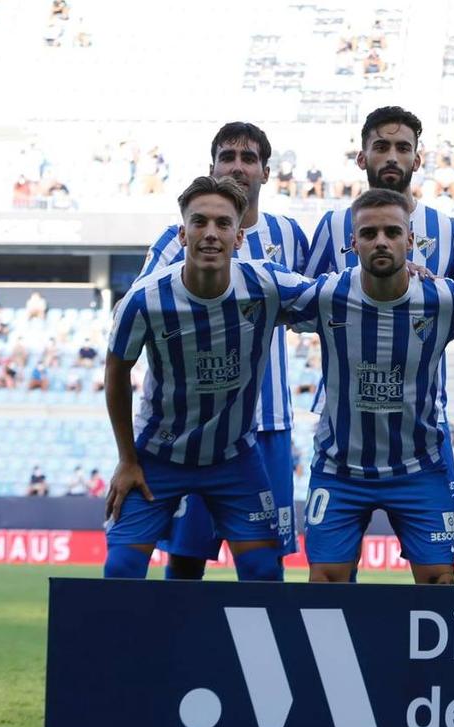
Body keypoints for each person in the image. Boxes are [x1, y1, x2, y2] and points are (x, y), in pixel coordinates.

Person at [102, 176, 313, 581]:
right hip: (157, 456)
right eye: (199, 223)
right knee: (121, 570)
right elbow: (115, 373)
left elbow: (332, 296)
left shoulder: (265, 283)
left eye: (223, 224)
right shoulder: (144, 300)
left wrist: (402, 274)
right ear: (183, 234)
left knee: (263, 570)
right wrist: (127, 459)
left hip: (234, 456)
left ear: (239, 237)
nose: (211, 234)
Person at [288, 189, 454, 584]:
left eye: (392, 232)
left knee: (440, 583)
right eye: (370, 232)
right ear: (352, 242)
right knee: (324, 584)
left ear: (410, 240)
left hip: (419, 468)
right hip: (340, 468)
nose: (381, 240)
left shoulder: (441, 299)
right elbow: (262, 308)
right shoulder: (327, 295)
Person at [302, 106, 454, 528]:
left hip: (422, 422)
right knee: (334, 569)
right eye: (381, 147)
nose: (392, 156)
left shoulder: (448, 230)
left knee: (435, 568)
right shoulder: (333, 225)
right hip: (343, 424)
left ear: (418, 159)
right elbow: (303, 311)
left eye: (402, 148)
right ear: (362, 158)